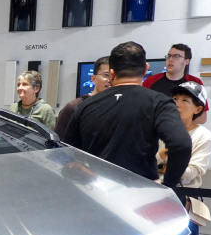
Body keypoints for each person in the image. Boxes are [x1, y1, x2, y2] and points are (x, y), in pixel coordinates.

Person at [62, 41, 191, 189]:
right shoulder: (159, 103)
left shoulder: (86, 105)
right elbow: (181, 145)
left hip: (95, 193)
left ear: (111, 73)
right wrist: (167, 184)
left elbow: (68, 152)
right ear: (146, 69)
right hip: (139, 194)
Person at [157, 81, 211, 235]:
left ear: (198, 108)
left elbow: (195, 170)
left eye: (185, 100)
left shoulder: (202, 135)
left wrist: (166, 162)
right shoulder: (162, 130)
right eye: (175, 99)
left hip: (184, 197)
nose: (178, 104)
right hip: (157, 195)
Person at [55, 56, 110, 135]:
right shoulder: (74, 108)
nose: (110, 80)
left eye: (115, 76)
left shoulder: (118, 107)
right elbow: (59, 142)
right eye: (106, 75)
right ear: (93, 78)